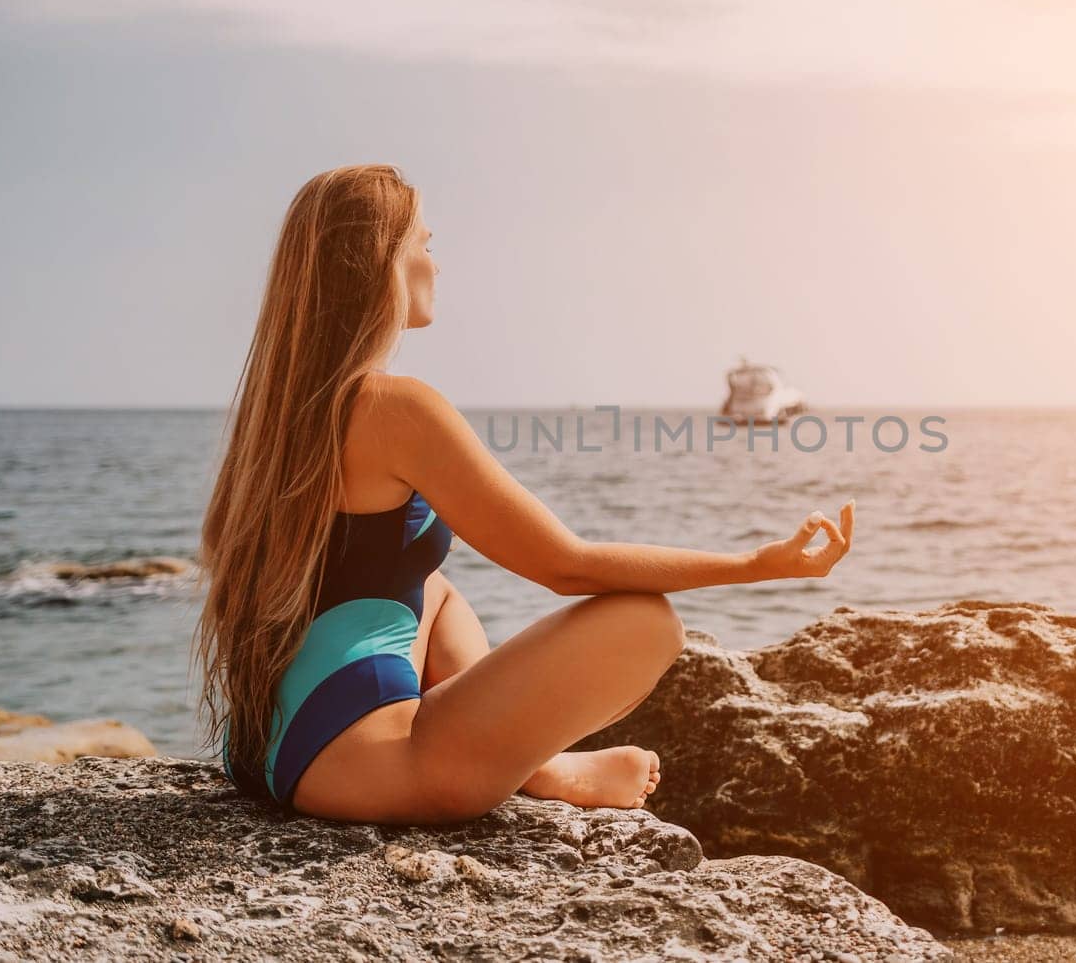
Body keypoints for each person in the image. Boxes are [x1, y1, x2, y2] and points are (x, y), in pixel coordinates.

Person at [193, 163, 854, 825]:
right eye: (423, 244)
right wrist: (755, 566)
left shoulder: (276, 416)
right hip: (375, 767)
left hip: (266, 750)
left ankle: (535, 766)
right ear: (381, 264)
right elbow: (565, 564)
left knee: (435, 587)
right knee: (646, 622)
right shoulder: (395, 407)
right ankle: (544, 768)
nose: (437, 264)